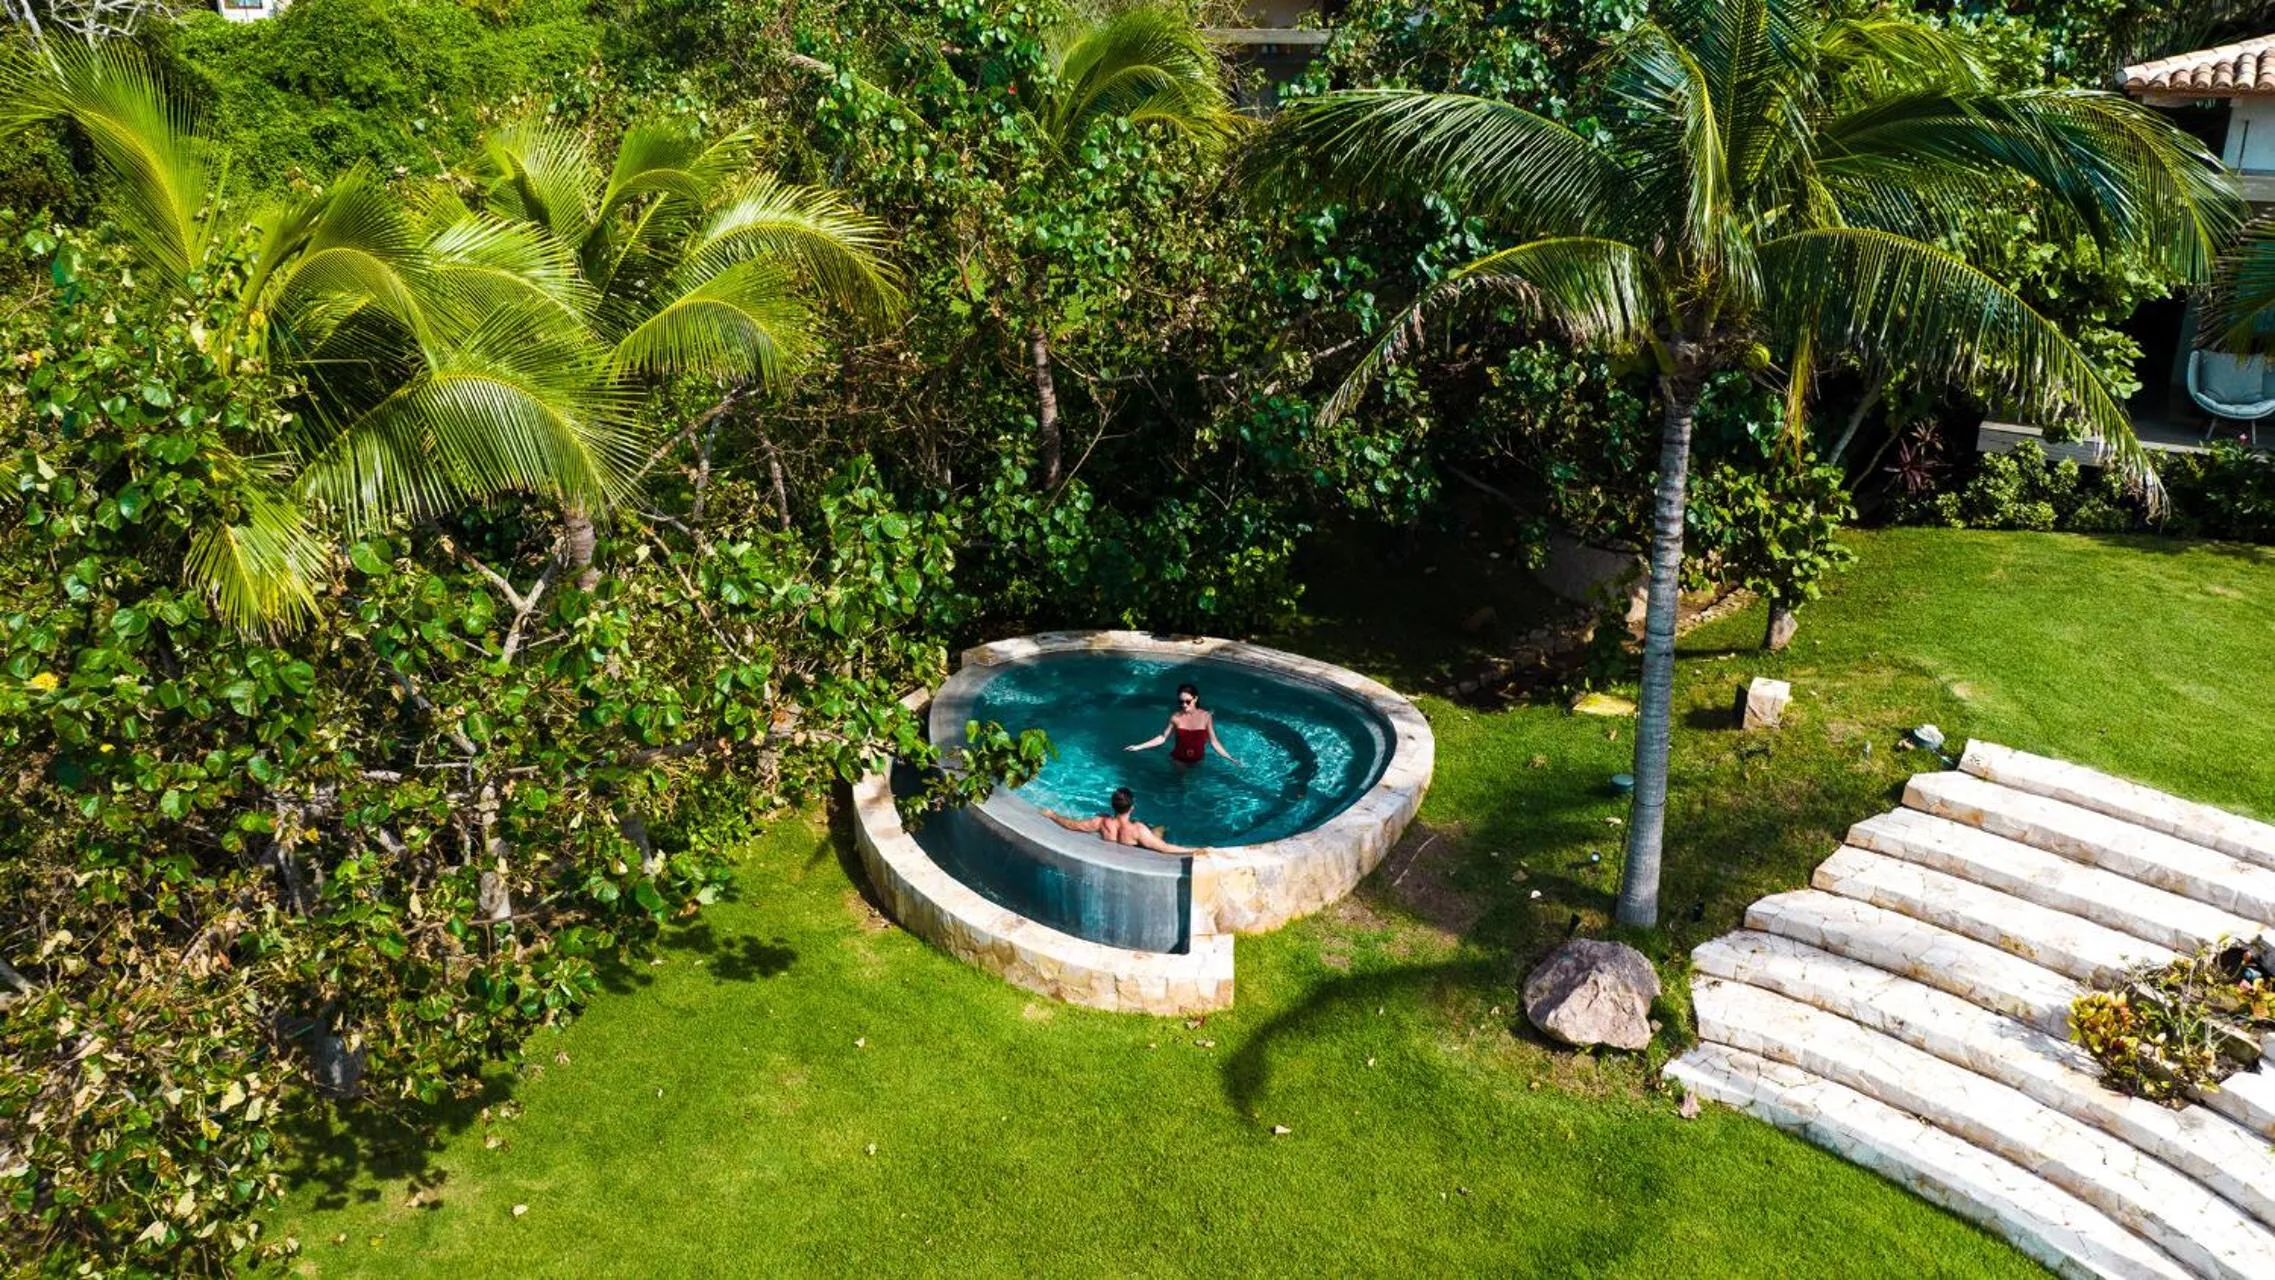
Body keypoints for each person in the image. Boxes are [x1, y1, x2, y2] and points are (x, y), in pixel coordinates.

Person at [1041, 788, 1196, 855]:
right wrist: (1196, 851)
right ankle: (1162, 827)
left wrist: (1052, 815)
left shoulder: (1101, 822)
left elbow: (1072, 825)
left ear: (1113, 806)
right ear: (1132, 808)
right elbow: (1165, 848)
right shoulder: (1138, 829)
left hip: (1114, 832)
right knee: (1159, 829)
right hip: (1141, 848)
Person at [1125, 682, 1238, 766]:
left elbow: (1214, 742)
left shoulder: (1206, 717)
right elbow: (1163, 737)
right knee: (1182, 786)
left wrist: (1230, 758)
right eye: (1181, 702)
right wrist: (1138, 747)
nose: (1184, 705)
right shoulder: (1176, 717)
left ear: (1195, 699)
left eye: (1187, 701)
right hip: (1179, 760)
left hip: (1198, 760)